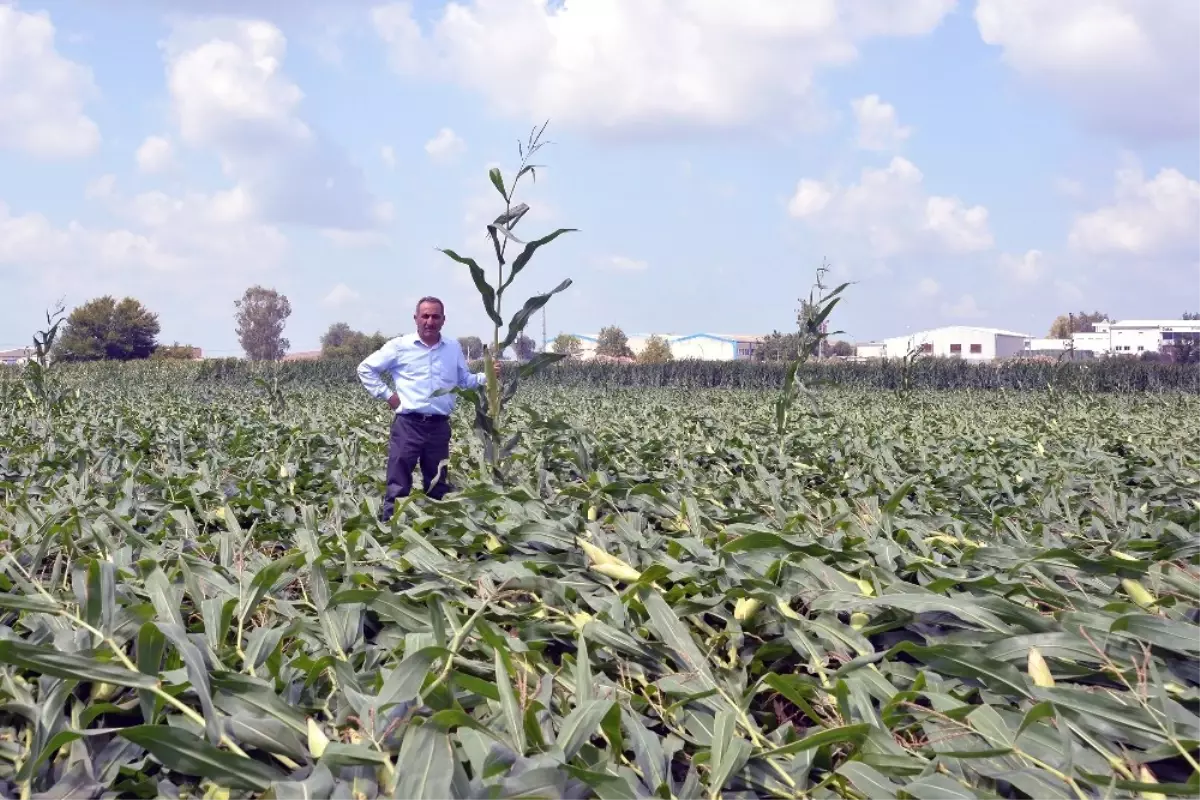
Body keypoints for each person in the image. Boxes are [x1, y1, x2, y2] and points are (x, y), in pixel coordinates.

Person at [357, 296, 498, 521]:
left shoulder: (452, 347)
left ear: (443, 320)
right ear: (416, 318)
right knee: (398, 483)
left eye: (435, 316)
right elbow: (365, 369)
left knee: (437, 484)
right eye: (425, 316)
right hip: (408, 426)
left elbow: (464, 381)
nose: (429, 321)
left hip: (438, 427)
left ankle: (436, 532)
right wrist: (388, 395)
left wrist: (488, 375)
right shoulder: (400, 346)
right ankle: (390, 532)